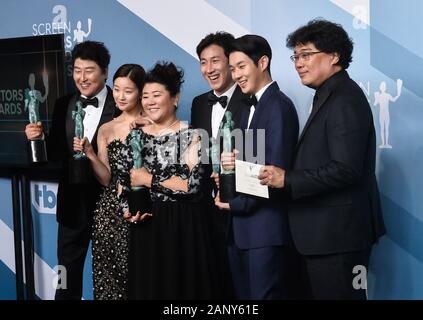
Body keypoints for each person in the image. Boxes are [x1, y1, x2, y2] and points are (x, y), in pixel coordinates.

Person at [258, 19, 386, 299]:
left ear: (334, 56)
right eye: (296, 56)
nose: (298, 63)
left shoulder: (345, 98)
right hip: (324, 237)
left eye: (307, 55)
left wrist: (287, 178)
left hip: (339, 239)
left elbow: (346, 169)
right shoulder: (329, 94)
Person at [25, 41, 117, 300]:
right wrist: (37, 138)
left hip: (111, 207)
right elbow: (54, 155)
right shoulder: (63, 103)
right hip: (71, 206)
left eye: (89, 70)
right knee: (66, 278)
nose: (82, 77)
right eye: (77, 70)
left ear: (105, 72)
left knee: (114, 278)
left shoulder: (121, 105)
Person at [127, 62, 223, 299]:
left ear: (175, 99)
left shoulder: (193, 135)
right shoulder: (134, 137)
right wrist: (128, 210)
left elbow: (191, 186)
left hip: (184, 227)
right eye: (145, 96)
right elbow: (124, 182)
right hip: (147, 227)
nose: (149, 101)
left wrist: (148, 179)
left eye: (157, 95)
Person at [215, 35, 299, 299]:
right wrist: (225, 176)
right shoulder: (243, 108)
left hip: (265, 231)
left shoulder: (279, 106)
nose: (236, 75)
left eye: (241, 66)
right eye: (232, 69)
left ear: (262, 62)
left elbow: (275, 172)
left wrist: (235, 203)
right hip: (239, 231)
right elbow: (248, 163)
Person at [73, 64, 147, 300]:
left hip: (144, 210)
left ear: (140, 92)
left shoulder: (154, 124)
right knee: (110, 281)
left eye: (128, 90)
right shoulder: (106, 129)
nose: (120, 96)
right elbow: (106, 179)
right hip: (110, 214)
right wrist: (91, 154)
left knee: (145, 277)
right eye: (116, 89)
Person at [191, 32, 249, 235]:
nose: (209, 70)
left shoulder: (250, 99)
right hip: (206, 212)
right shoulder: (199, 104)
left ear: (230, 61)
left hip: (242, 206)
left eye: (215, 61)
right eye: (203, 62)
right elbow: (198, 154)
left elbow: (258, 154)